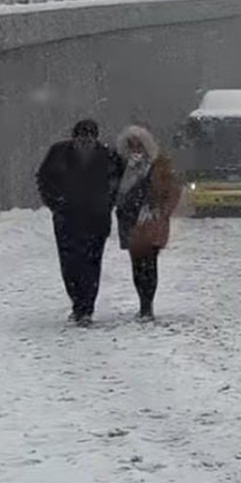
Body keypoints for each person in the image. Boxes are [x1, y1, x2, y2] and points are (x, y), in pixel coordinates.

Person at [36, 119, 123, 327]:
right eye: (82, 136)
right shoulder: (58, 153)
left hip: (96, 218)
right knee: (70, 264)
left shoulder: (109, 155)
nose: (86, 140)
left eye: (90, 136)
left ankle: (87, 307)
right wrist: (56, 203)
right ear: (74, 137)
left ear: (96, 137)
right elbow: (44, 179)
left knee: (91, 263)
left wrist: (106, 203)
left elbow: (118, 183)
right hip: (67, 217)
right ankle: (77, 302)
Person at [115, 126, 180, 322]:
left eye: (139, 145)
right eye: (131, 145)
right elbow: (115, 190)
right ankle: (143, 302)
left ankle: (147, 305)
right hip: (129, 219)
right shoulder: (120, 165)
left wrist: (162, 212)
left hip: (152, 219)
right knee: (137, 264)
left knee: (149, 263)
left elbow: (172, 190)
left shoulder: (159, 165)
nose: (136, 149)